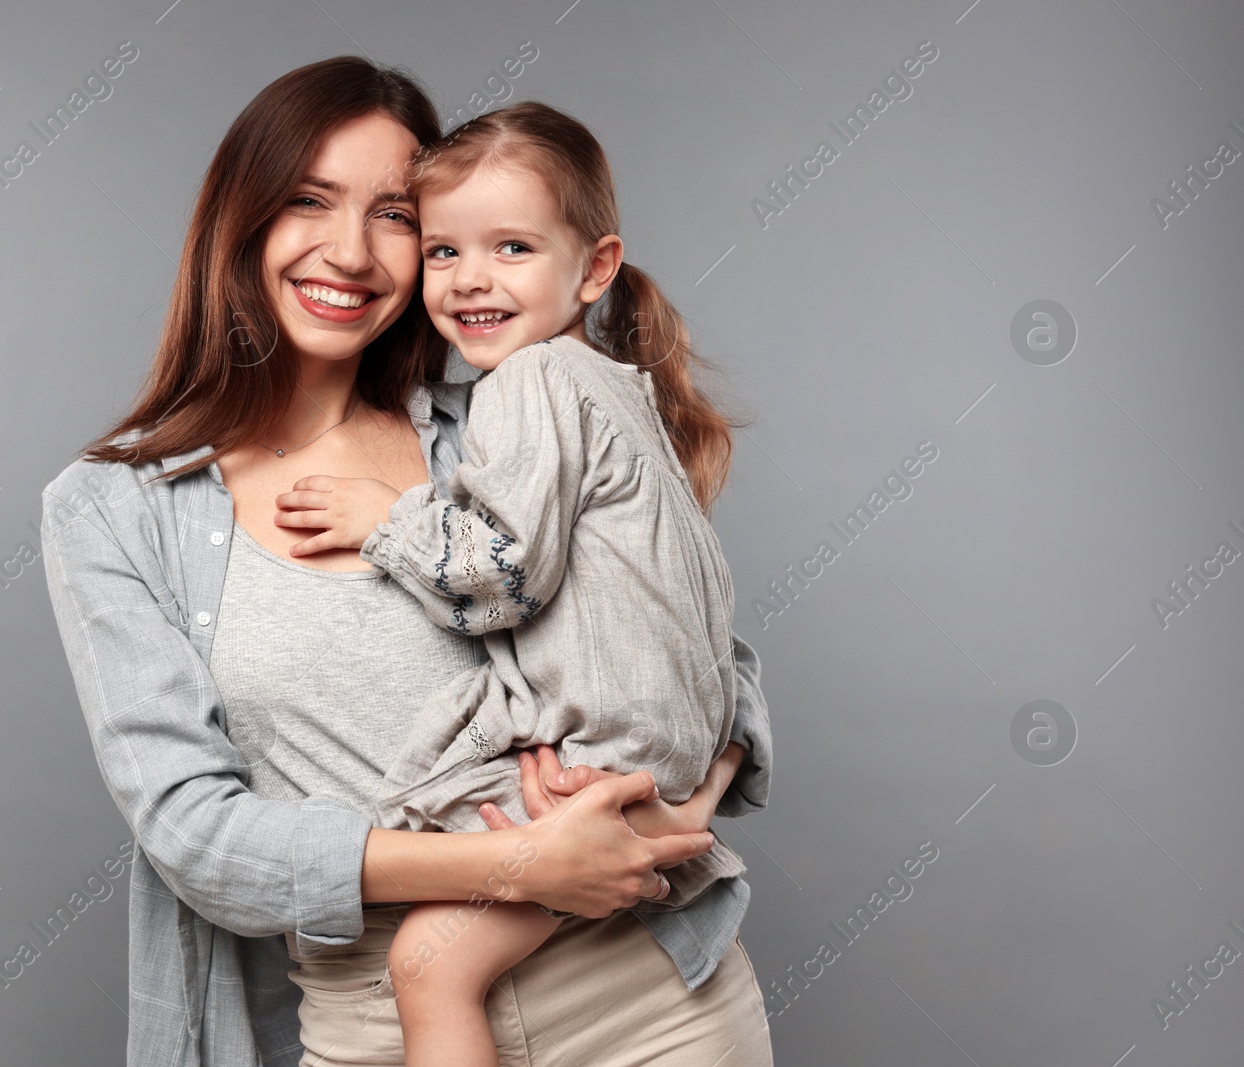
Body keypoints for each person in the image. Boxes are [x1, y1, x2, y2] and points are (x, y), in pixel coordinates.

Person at [40, 56, 774, 1067]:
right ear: (240, 219)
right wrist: (518, 860)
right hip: (389, 1024)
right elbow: (197, 836)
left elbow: (700, 641)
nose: (349, 251)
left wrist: (668, 808)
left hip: (648, 1006)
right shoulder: (117, 509)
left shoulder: (502, 417)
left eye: (391, 214)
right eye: (308, 200)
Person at [271, 100, 752, 1067]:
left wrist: (387, 517)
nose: (471, 279)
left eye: (513, 247)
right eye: (444, 251)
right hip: (654, 749)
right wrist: (699, 780)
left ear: (596, 267)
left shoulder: (528, 385)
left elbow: (500, 581)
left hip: (603, 753)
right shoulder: (618, 387)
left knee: (427, 966)